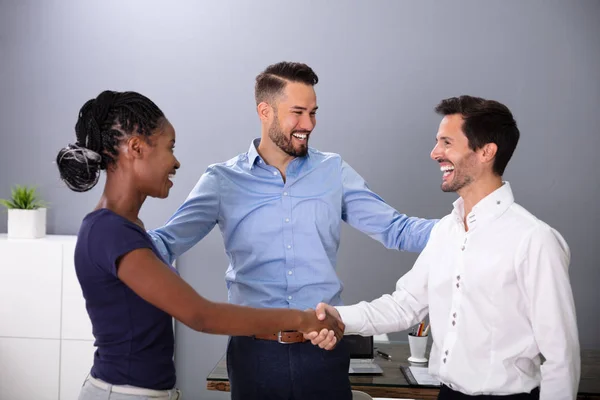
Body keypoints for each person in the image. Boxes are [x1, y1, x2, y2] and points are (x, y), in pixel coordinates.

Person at [147, 61, 437, 400]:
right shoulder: (222, 181)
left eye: (313, 112)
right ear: (265, 110)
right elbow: (165, 242)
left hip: (324, 349)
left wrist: (468, 227)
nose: (308, 124)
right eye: (298, 112)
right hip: (254, 356)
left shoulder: (333, 171)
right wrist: (111, 235)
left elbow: (396, 229)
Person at [56, 90, 344, 400]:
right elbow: (201, 315)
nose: (176, 162)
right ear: (136, 148)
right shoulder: (110, 232)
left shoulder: (125, 229)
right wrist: (299, 319)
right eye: (170, 147)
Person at [307, 95, 581, 400]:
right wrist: (338, 316)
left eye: (447, 143)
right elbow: (405, 305)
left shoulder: (535, 240)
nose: (435, 153)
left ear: (486, 151)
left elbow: (561, 359)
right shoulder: (445, 232)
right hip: (448, 395)